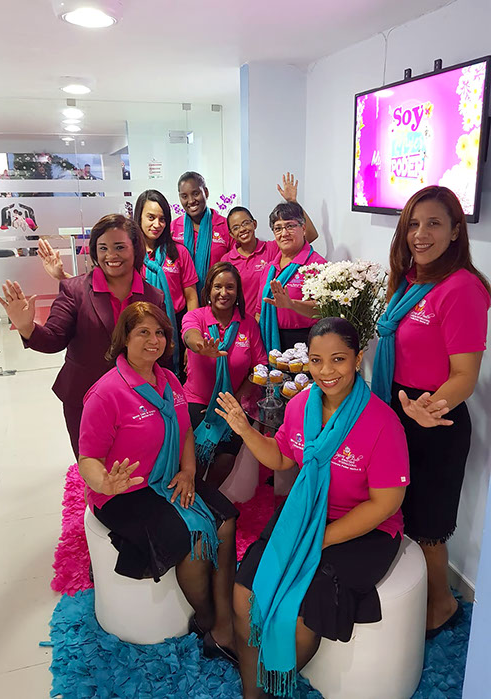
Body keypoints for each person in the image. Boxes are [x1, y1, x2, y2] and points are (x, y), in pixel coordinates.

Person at [215, 317, 409, 699]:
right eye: (316, 360)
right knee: (244, 595)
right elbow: (282, 458)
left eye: (338, 359)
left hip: (363, 530)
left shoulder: (382, 423)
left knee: (300, 609)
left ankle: (274, 689)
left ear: (357, 359)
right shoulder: (301, 405)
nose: (325, 371)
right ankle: (253, 694)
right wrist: (245, 430)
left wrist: (321, 539)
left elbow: (386, 503)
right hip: (305, 514)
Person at [78, 302, 239, 663]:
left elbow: (185, 432)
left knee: (226, 520)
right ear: (124, 339)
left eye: (160, 333)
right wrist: (105, 484)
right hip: (124, 492)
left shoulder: (169, 381)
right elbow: (88, 458)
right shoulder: (106, 393)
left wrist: (188, 471)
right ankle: (210, 620)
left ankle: (224, 621)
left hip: (168, 478)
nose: (154, 340)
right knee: (191, 537)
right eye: (143, 332)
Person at [371, 185, 490, 638]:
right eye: (413, 225)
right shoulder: (409, 281)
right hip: (400, 409)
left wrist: (427, 408)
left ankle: (442, 605)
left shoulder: (462, 288)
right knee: (400, 511)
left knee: (428, 526)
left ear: (456, 231)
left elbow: (464, 375)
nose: (420, 234)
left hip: (435, 419)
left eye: (434, 223)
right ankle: (424, 598)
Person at [0, 214, 165, 458]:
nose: (111, 255)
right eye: (103, 248)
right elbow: (54, 338)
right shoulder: (74, 290)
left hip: (138, 397)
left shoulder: (153, 296)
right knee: (92, 464)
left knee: (133, 462)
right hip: (85, 396)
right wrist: (27, 327)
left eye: (119, 247)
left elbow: (159, 348)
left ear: (135, 248)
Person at [182, 262, 267, 488]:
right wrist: (201, 347)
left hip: (236, 401)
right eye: (217, 286)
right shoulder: (196, 317)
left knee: (226, 457)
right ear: (208, 290)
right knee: (197, 456)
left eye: (230, 287)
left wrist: (236, 400)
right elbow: (189, 335)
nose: (223, 293)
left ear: (238, 292)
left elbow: (260, 366)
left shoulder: (248, 324)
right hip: (197, 399)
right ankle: (191, 497)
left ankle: (208, 499)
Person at [222, 173, 319, 316]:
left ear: (254, 224)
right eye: (236, 227)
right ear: (231, 234)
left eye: (245, 223)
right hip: (242, 322)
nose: (242, 229)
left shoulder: (272, 248)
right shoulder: (227, 260)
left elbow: (310, 235)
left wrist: (293, 202)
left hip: (269, 318)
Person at [134, 189, 198, 378]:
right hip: (139, 326)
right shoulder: (131, 254)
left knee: (175, 380)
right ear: (139, 217)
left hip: (174, 326)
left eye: (162, 219)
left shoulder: (179, 252)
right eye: (151, 217)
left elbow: (191, 297)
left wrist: (190, 339)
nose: (157, 224)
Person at [256, 201, 327, 355]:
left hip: (307, 341)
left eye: (290, 226)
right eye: (278, 228)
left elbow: (325, 310)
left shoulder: (318, 266)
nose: (284, 233)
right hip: (271, 339)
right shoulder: (269, 268)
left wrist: (291, 304)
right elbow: (259, 312)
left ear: (303, 228)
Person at [171, 171, 233, 297]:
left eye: (195, 193)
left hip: (219, 299)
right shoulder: (173, 228)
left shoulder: (225, 226)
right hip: (182, 300)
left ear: (206, 192)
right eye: (184, 196)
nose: (191, 201)